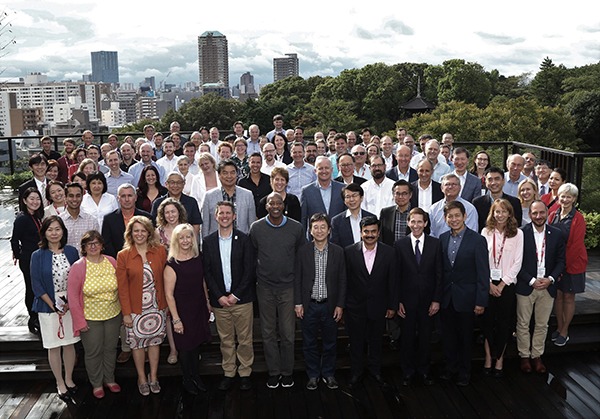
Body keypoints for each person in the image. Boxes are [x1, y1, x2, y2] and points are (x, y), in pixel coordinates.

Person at [249, 192, 305, 389]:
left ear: (284, 205)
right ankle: (274, 372)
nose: (275, 205)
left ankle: (287, 372)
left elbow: (301, 257)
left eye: (278, 203)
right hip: (264, 287)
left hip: (288, 287)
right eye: (271, 202)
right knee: (268, 332)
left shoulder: (296, 228)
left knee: (288, 334)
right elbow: (253, 253)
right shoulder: (256, 228)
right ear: (266, 206)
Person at [203, 202, 256, 392]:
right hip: (220, 302)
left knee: (244, 339)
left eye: (228, 213)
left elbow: (250, 270)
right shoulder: (208, 242)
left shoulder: (244, 239)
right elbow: (207, 272)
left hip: (241, 300)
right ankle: (229, 372)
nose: (224, 216)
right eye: (221, 213)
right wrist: (219, 296)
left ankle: (245, 373)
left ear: (234, 216)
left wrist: (235, 295)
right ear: (216, 216)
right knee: (225, 340)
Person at [30, 216, 80, 402]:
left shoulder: (72, 252)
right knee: (53, 345)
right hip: (47, 306)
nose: (54, 233)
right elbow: (36, 285)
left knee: (69, 343)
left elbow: (77, 279)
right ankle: (59, 381)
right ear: (44, 232)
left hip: (70, 305)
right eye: (50, 229)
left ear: (63, 231)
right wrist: (54, 305)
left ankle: (69, 378)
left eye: (57, 229)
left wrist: (69, 303)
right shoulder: (37, 255)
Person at [439, 201, 489, 386]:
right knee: (448, 337)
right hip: (447, 298)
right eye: (450, 216)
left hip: (467, 299)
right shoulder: (442, 239)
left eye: (457, 215)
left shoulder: (477, 240)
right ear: (445, 219)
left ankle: (464, 372)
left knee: (465, 338)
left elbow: (483, 273)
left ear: (464, 216)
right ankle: (450, 368)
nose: (454, 219)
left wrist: (481, 301)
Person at [116, 216, 168, 396]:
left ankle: (153, 376)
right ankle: (142, 378)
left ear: (149, 232)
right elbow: (122, 288)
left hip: (157, 307)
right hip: (135, 309)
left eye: (143, 230)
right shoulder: (123, 255)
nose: (139, 234)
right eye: (135, 230)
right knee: (137, 345)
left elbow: (166, 279)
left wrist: (166, 305)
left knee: (154, 343)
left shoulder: (160, 251)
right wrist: (126, 313)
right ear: (130, 233)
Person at [294, 213, 346, 390]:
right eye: (315, 227)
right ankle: (313, 375)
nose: (319, 230)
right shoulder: (303, 251)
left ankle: (329, 374)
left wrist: (340, 304)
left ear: (329, 230)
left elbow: (342, 280)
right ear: (310, 230)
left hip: (329, 306)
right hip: (309, 306)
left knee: (330, 342)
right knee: (309, 343)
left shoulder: (338, 252)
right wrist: (298, 303)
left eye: (323, 227)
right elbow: (298, 279)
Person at [67, 230, 121, 399]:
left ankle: (109, 379)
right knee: (93, 351)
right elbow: (73, 297)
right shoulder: (78, 267)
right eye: (89, 244)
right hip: (90, 317)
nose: (93, 246)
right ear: (83, 247)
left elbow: (121, 287)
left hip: (113, 314)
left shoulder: (111, 261)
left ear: (102, 245)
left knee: (110, 349)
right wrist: (79, 321)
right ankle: (96, 383)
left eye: (96, 243)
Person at [344, 216, 397, 389]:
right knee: (356, 342)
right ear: (360, 233)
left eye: (373, 231)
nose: (370, 235)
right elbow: (345, 281)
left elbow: (392, 282)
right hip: (355, 307)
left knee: (376, 342)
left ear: (379, 233)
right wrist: (345, 306)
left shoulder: (389, 252)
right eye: (366, 231)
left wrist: (391, 306)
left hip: (379, 306)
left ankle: (375, 371)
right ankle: (356, 373)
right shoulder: (350, 252)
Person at [516, 201, 565, 374]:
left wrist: (550, 279)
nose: (538, 216)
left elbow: (561, 260)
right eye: (534, 213)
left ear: (547, 213)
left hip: (547, 286)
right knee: (522, 323)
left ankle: (536, 355)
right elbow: (515, 262)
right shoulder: (520, 234)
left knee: (542, 324)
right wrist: (531, 280)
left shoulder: (557, 234)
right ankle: (524, 356)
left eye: (541, 213)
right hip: (526, 285)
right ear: (529, 215)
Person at [395, 208, 442, 386]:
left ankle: (424, 371)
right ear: (408, 223)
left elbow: (439, 274)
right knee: (406, 338)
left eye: (419, 222)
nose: (416, 225)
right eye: (412, 222)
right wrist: (398, 300)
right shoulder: (399, 245)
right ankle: (407, 371)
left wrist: (437, 299)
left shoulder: (435, 244)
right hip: (406, 302)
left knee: (425, 337)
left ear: (426, 223)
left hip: (428, 301)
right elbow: (396, 276)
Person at [164, 224, 211, 394]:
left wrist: (206, 302)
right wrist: (176, 319)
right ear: (176, 240)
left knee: (196, 344)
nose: (185, 240)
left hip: (198, 307)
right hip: (182, 311)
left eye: (188, 236)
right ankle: (187, 378)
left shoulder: (198, 257)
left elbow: (202, 281)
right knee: (185, 347)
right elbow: (169, 295)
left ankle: (195, 376)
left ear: (193, 238)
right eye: (181, 237)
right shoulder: (171, 264)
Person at [481, 199, 523, 378]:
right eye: (497, 211)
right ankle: (488, 358)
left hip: (507, 284)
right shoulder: (486, 232)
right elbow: (481, 260)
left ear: (509, 214)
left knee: (504, 324)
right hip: (488, 283)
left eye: (503, 212)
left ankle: (500, 359)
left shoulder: (518, 234)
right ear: (492, 213)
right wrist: (489, 283)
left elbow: (518, 262)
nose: (500, 215)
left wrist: (502, 284)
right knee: (487, 323)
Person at [548, 184, 588, 347]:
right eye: (562, 196)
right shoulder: (552, 214)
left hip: (573, 264)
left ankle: (564, 331)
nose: (565, 199)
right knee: (558, 296)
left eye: (569, 197)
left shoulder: (578, 218)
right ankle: (558, 326)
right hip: (557, 264)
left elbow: (575, 246)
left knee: (569, 297)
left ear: (574, 199)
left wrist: (562, 268)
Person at [11, 187, 44, 334]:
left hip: (38, 258)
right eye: (31, 198)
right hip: (28, 259)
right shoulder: (22, 218)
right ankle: (32, 318)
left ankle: (38, 316)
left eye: (37, 199)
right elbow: (14, 240)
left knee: (37, 288)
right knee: (31, 289)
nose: (35, 202)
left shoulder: (36, 216)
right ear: (24, 200)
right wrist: (20, 256)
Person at [201, 159, 256, 237]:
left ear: (237, 174)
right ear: (219, 175)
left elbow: (252, 224)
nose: (229, 176)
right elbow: (205, 226)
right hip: (216, 243)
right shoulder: (209, 196)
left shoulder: (248, 195)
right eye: (225, 173)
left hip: (242, 243)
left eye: (232, 172)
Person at [300, 156, 346, 236]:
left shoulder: (342, 188)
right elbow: (303, 219)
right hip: (315, 239)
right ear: (315, 171)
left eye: (327, 168)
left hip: (339, 237)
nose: (324, 171)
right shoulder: (306, 191)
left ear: (332, 170)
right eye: (320, 168)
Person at [152, 172, 203, 238]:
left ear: (184, 184)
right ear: (166, 184)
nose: (175, 185)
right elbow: (153, 225)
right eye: (172, 182)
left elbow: (196, 224)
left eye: (179, 182)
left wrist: (192, 241)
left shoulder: (191, 202)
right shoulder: (158, 203)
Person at [472, 167, 523, 232]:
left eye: (497, 179)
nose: (493, 183)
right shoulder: (477, 203)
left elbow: (517, 227)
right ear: (485, 182)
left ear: (503, 181)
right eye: (490, 179)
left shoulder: (514, 202)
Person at [428, 174, 478, 238]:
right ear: (441, 188)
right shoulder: (434, 209)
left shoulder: (469, 209)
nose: (450, 187)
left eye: (454, 184)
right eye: (447, 184)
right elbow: (432, 233)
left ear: (460, 187)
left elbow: (472, 233)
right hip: (438, 246)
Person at [330, 183, 375, 248]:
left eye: (354, 195)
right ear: (344, 201)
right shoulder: (337, 221)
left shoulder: (371, 218)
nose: (351, 199)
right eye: (348, 197)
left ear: (361, 198)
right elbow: (335, 246)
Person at [60, 182, 99, 252]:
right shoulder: (59, 221)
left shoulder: (92, 221)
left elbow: (97, 245)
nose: (74, 199)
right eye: (71, 196)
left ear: (82, 197)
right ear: (65, 198)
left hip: (87, 261)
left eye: (78, 196)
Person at [379, 179, 412, 246]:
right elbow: (381, 236)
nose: (400, 197)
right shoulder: (385, 213)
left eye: (404, 193)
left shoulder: (419, 213)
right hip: (390, 253)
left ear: (410, 195)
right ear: (393, 195)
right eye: (397, 193)